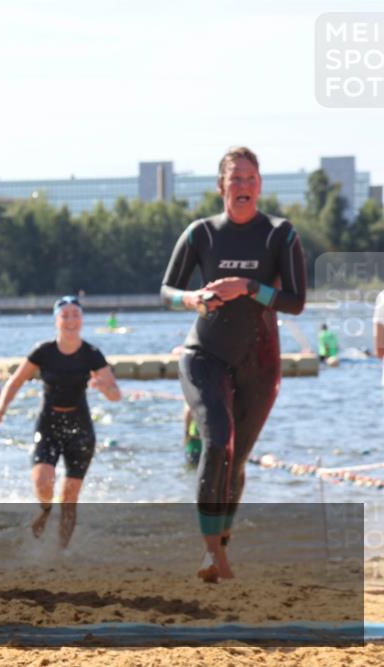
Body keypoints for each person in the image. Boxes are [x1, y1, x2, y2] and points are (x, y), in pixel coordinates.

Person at [160, 146, 306, 583]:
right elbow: (166, 290)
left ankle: (220, 545)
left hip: (260, 364)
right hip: (205, 354)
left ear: (259, 185)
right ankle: (209, 554)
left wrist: (248, 287)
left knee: (237, 459)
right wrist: (192, 298)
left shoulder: (280, 235)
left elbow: (296, 302)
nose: (243, 186)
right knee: (218, 441)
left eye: (250, 178)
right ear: (221, 187)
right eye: (235, 179)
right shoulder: (201, 233)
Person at [0, 296, 121, 546]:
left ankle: (60, 551)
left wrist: (103, 388)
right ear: (56, 320)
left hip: (80, 428)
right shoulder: (43, 352)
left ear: (82, 319)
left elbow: (115, 395)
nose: (70, 320)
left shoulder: (92, 354)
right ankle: (44, 510)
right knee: (43, 481)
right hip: (49, 425)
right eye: (64, 315)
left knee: (69, 497)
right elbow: (14, 383)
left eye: (75, 314)